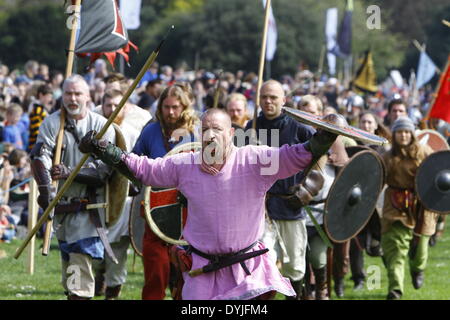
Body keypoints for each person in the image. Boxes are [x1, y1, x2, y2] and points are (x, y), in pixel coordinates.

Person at [78, 107, 338, 300]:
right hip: (201, 271)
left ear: (232, 134)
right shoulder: (184, 164)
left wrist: (323, 139)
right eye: (205, 129)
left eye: (217, 129)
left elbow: (296, 155)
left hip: (246, 272)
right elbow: (144, 170)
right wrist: (104, 149)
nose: (210, 135)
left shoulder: (255, 160)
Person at [30, 74, 116, 300]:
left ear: (88, 96)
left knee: (78, 273)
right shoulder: (51, 123)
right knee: (70, 275)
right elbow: (41, 156)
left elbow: (104, 171)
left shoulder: (101, 125)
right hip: (61, 210)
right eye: (68, 93)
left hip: (88, 210)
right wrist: (46, 190)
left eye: (78, 93)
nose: (73, 98)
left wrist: (70, 172)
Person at [245, 80, 315, 299]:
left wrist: (309, 186)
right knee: (263, 259)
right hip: (262, 207)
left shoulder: (300, 128)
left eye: (273, 97)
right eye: (264, 97)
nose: (268, 101)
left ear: (283, 100)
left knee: (295, 265)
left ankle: (295, 296)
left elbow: (320, 157)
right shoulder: (252, 127)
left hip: (291, 205)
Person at [130, 82, 199, 300]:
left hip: (190, 215)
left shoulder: (196, 132)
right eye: (166, 107)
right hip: (156, 213)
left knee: (187, 278)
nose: (170, 112)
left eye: (175, 107)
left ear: (184, 107)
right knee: (155, 275)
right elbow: (135, 162)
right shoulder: (151, 130)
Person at [91, 88, 152, 299]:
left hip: (126, 198)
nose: (112, 109)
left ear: (125, 107)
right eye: (108, 105)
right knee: (96, 245)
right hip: (97, 196)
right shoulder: (94, 129)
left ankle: (113, 289)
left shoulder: (136, 132)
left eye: (117, 105)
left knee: (117, 246)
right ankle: (99, 276)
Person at [380, 116, 438, 300]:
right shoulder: (388, 157)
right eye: (399, 132)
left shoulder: (424, 152)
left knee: (420, 249)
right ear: (395, 134)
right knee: (396, 248)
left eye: (406, 131)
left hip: (422, 206)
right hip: (395, 205)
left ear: (412, 133)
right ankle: (395, 289)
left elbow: (438, 171)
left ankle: (417, 269)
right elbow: (376, 177)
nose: (403, 135)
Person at [28, 84, 54, 152]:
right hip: (36, 145)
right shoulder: (37, 109)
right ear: (41, 95)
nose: (50, 100)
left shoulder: (41, 109)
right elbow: (36, 130)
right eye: (48, 97)